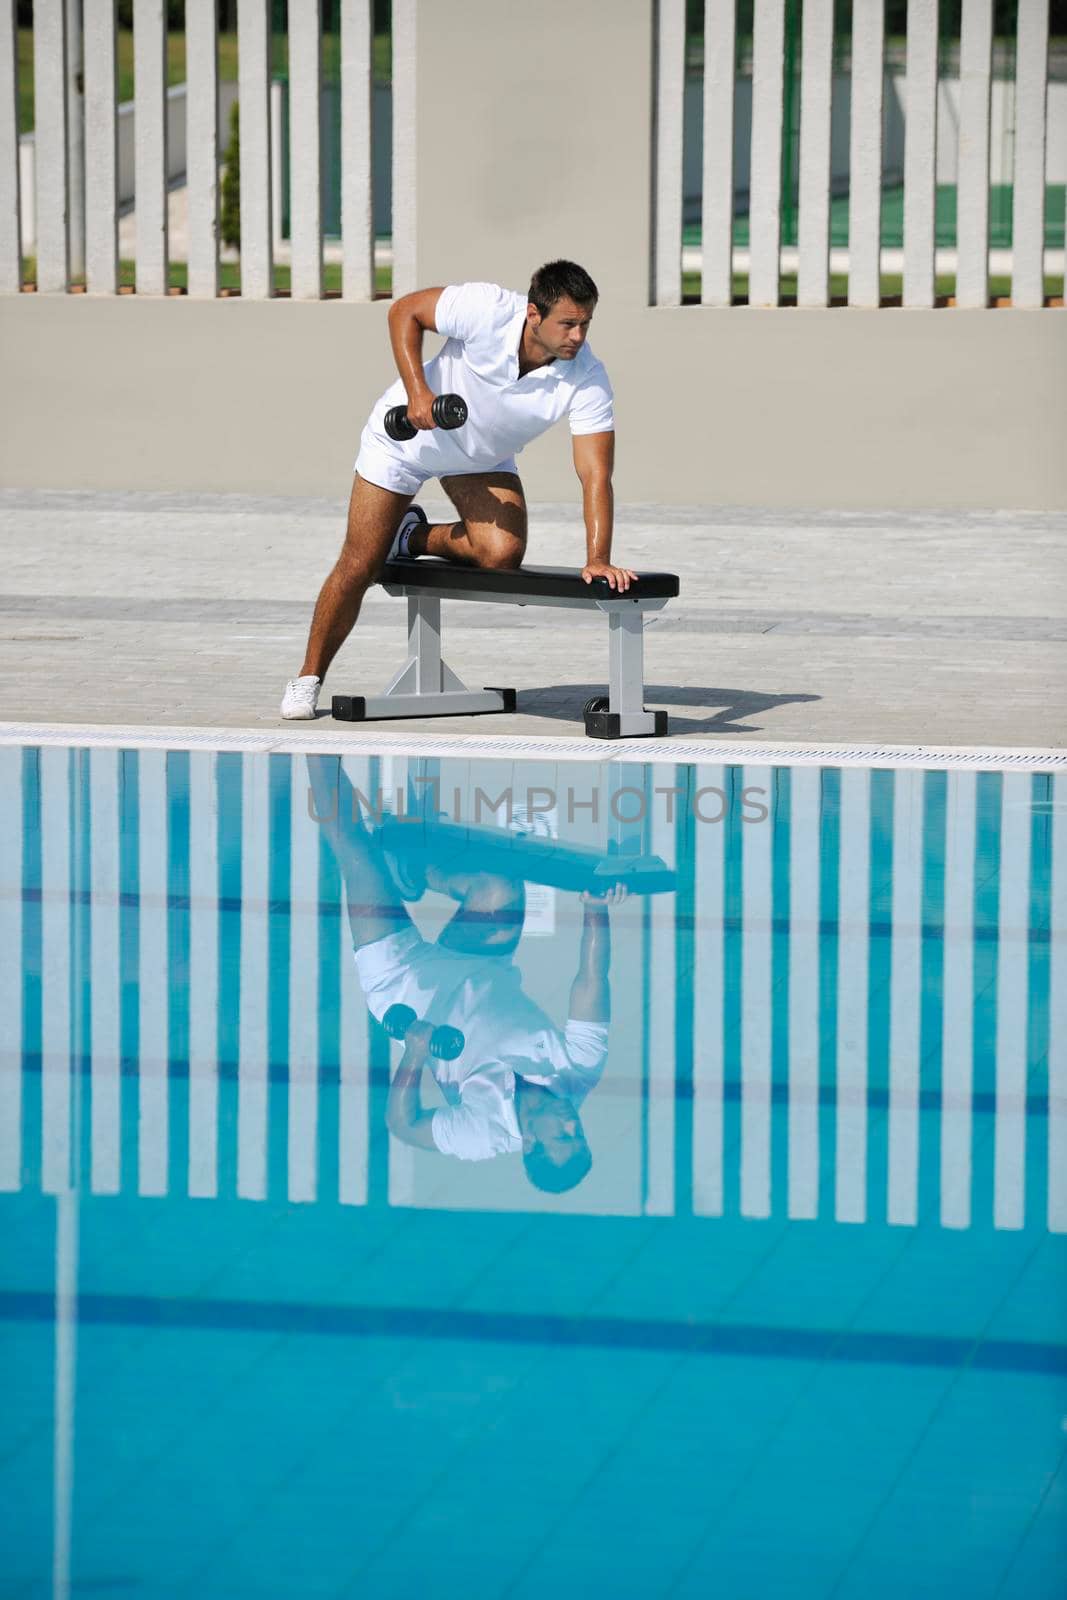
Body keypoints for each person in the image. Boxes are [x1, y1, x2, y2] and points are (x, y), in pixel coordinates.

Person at [281, 260, 637, 719]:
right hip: (406, 438)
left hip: (480, 460)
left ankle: (409, 536)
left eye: (585, 324)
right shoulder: (487, 309)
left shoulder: (587, 376)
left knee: (501, 554)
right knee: (361, 562)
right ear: (534, 314)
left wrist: (597, 557)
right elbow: (404, 312)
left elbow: (594, 475)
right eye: (568, 324)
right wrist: (418, 392)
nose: (578, 336)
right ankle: (307, 678)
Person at [307, 755, 621, 1192]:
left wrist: (414, 1055)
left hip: (404, 985)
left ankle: (315, 743)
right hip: (480, 963)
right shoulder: (578, 1072)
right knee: (500, 885)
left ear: (530, 1143)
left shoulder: (482, 1135)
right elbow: (591, 981)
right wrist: (595, 909)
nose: (574, 1124)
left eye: (564, 1137)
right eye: (580, 1133)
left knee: (352, 844)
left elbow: (404, 1125)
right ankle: (414, 869)